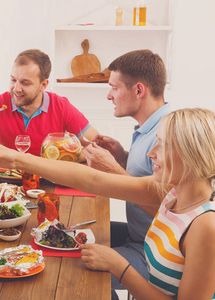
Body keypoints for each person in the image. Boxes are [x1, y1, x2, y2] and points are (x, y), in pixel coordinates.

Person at [0, 108, 215, 299]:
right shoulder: (173, 193)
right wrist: (15, 158)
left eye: (162, 146)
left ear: (190, 154)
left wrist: (119, 266)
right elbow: (92, 179)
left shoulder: (205, 225)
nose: (151, 153)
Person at [83, 49, 172, 298]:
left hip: (155, 253)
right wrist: (122, 157)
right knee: (68, 237)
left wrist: (112, 170)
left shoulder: (167, 133)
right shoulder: (149, 126)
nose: (109, 95)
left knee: (81, 271)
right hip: (138, 236)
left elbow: (170, 213)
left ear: (139, 90)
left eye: (114, 87)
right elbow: (147, 180)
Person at [0, 49, 98, 156]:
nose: (17, 89)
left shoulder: (61, 107)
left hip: (48, 181)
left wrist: (65, 155)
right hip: (7, 183)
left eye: (25, 83)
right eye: (13, 80)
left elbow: (97, 148)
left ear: (43, 85)